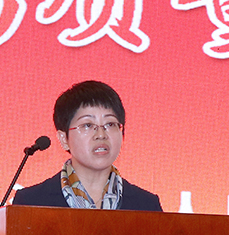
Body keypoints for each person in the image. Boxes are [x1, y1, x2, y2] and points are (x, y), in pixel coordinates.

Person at [13, 80, 162, 211]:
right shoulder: (30, 202)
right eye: (87, 125)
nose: (101, 134)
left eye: (110, 124)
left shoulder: (147, 205)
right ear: (64, 139)